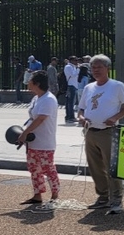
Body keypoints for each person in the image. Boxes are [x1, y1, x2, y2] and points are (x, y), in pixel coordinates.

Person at [76, 54, 124, 214]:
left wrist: (115, 118)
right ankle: (103, 197)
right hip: (90, 132)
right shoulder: (89, 88)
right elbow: (81, 108)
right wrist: (81, 117)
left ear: (107, 68)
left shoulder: (116, 86)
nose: (96, 70)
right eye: (93, 67)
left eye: (99, 67)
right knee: (95, 167)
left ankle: (116, 200)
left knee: (111, 167)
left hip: (108, 132)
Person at [17, 70, 60, 206]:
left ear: (37, 83)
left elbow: (40, 119)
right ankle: (37, 195)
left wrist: (24, 133)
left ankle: (55, 193)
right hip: (33, 141)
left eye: (30, 80)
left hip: (45, 141)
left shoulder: (48, 99)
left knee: (48, 168)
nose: (27, 83)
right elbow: (33, 118)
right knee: (34, 168)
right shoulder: (36, 98)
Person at [63, 56, 80, 123]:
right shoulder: (68, 67)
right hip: (71, 86)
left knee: (72, 102)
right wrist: (78, 69)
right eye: (75, 60)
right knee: (70, 102)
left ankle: (70, 116)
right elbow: (73, 75)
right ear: (72, 61)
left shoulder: (73, 67)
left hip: (74, 85)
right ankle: (70, 117)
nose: (76, 62)